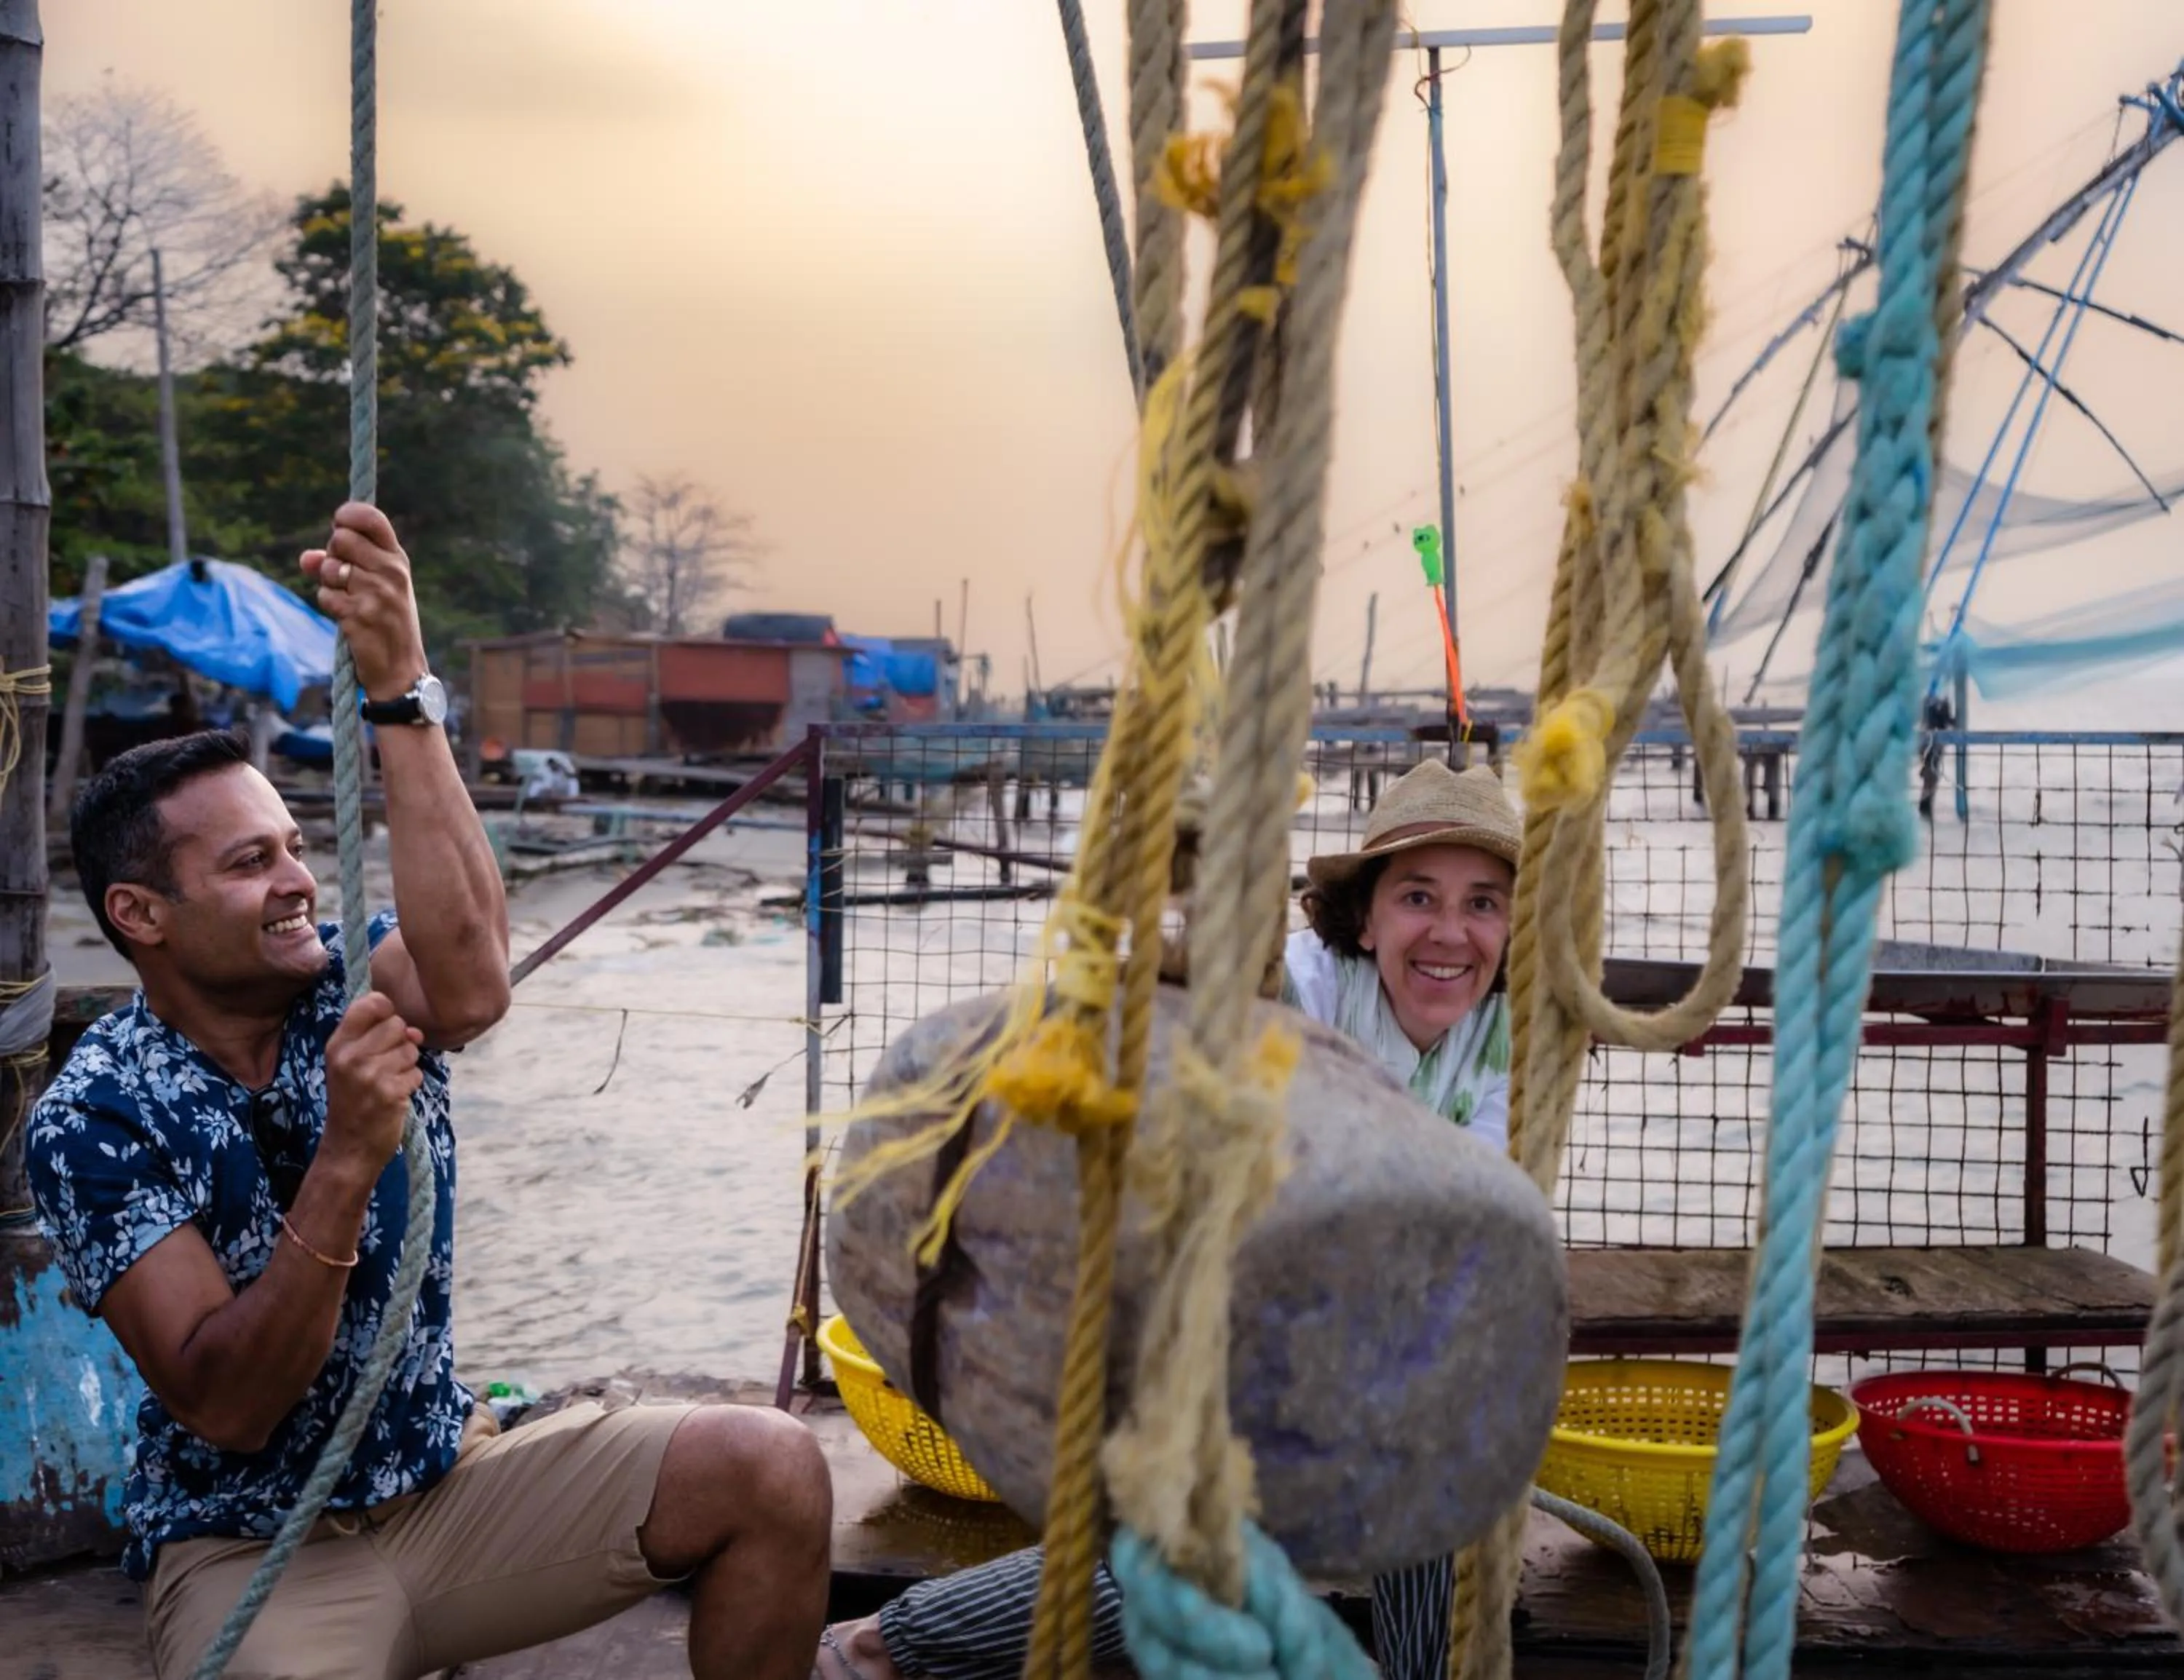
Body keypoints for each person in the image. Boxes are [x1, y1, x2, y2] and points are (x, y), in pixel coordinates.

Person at [28, 504, 833, 1680]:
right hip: (255, 1544)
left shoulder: (349, 976)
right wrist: (349, 1156)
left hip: (447, 1484)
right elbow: (228, 1401)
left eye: (295, 843)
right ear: (140, 915)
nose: (299, 878)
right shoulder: (94, 1113)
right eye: (251, 862)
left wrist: (404, 686)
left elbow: (472, 981)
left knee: (773, 1465)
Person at [813, 758, 1518, 1680]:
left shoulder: (1510, 1030)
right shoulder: (1294, 990)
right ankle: (881, 1648)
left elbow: (1485, 1208)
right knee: (1204, 1543)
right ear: (1366, 916)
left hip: (1328, 1325)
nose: (1451, 934)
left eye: (1484, 904)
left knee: (1439, 1442)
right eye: (1419, 896)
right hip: (1172, 1304)